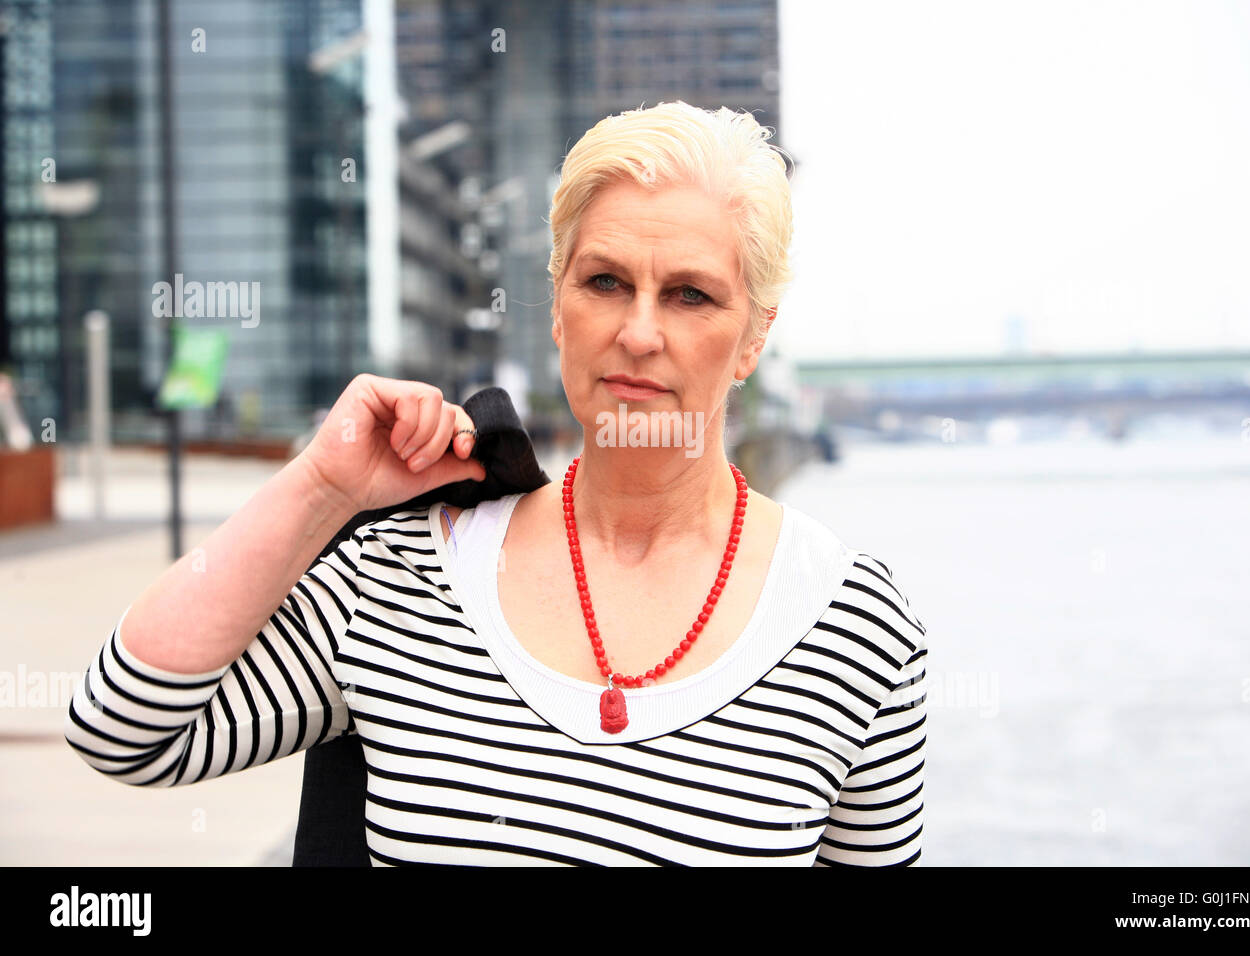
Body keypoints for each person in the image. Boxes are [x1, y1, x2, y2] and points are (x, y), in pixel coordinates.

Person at [65, 101, 928, 866]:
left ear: (754, 338)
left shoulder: (855, 628)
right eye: (605, 282)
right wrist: (323, 486)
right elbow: (123, 729)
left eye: (691, 296)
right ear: (557, 305)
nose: (637, 331)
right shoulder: (405, 573)